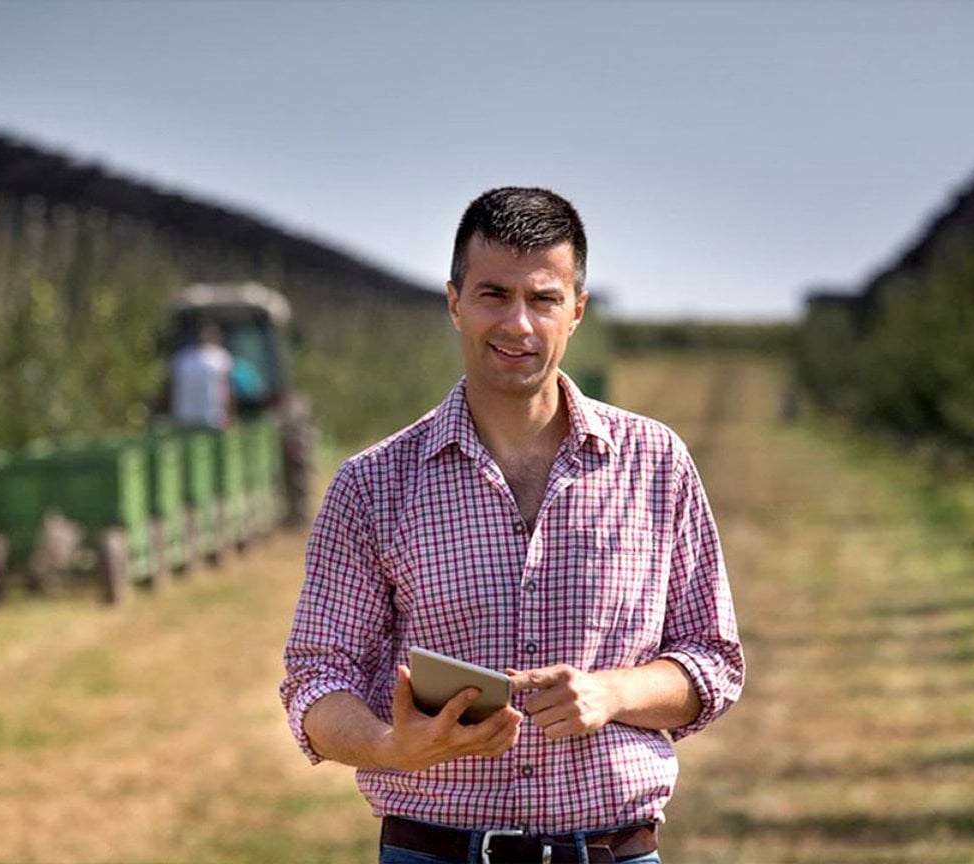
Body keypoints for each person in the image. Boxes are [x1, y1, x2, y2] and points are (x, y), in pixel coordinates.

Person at [281, 187, 744, 864]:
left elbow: (714, 660)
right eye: (494, 294)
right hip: (432, 850)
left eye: (544, 299)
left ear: (576, 311)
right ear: (455, 303)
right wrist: (390, 746)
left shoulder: (657, 462)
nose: (518, 324)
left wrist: (612, 693)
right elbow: (318, 677)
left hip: (613, 850)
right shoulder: (372, 484)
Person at [170, 325, 233, 430]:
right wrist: (229, 415)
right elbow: (225, 388)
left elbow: (173, 388)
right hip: (213, 416)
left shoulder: (182, 357)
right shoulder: (220, 356)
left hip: (185, 415)